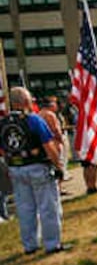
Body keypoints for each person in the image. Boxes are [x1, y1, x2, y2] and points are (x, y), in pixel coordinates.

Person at [0, 87, 68, 254]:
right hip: (38, 167)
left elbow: (2, 149)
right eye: (30, 99)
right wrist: (58, 166)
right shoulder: (33, 120)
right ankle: (52, 244)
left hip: (16, 168)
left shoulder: (3, 123)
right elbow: (48, 145)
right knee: (48, 207)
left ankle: (30, 245)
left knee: (24, 208)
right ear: (24, 102)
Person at [38, 96, 69, 195]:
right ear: (51, 105)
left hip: (45, 145)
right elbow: (55, 130)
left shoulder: (38, 114)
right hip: (54, 143)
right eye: (55, 104)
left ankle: (56, 187)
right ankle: (58, 188)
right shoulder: (50, 115)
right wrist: (61, 139)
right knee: (59, 164)